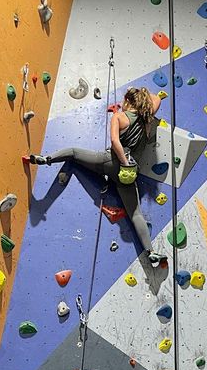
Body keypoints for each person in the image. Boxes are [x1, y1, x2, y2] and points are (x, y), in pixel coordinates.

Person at [28, 86, 166, 264]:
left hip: (110, 162)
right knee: (135, 214)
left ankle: (47, 159)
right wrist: (140, 93)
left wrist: (123, 161)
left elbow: (115, 141)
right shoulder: (145, 120)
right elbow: (157, 99)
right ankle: (150, 251)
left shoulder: (119, 117)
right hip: (129, 174)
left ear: (127, 101)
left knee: (73, 153)